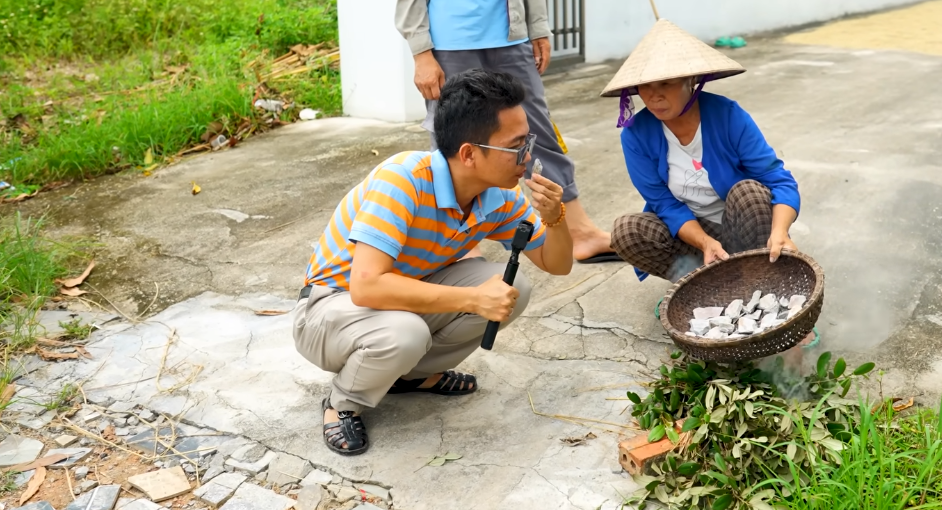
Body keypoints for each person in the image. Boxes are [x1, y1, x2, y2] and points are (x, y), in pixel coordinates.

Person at [292, 69, 574, 456]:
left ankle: (410, 376)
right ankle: (342, 403)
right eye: (517, 146)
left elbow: (556, 264)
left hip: (397, 299)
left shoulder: (500, 196)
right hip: (328, 309)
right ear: (469, 154)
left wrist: (555, 216)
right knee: (406, 333)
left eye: (529, 141)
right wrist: (472, 300)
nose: (528, 156)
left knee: (514, 288)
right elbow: (367, 286)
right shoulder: (404, 179)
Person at [395, 0, 619, 264]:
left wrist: (537, 28)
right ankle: (462, 246)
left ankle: (579, 232)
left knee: (538, 133)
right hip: (449, 40)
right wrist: (421, 51)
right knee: (457, 142)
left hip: (512, 36)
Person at [601, 19, 802, 283]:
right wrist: (706, 242)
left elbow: (780, 181)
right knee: (626, 231)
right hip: (693, 234)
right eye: (645, 86)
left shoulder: (728, 116)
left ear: (692, 80)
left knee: (749, 193)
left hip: (745, 225)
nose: (653, 96)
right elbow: (664, 204)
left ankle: (759, 276)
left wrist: (780, 232)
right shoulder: (636, 135)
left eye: (666, 83)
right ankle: (705, 283)